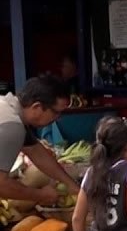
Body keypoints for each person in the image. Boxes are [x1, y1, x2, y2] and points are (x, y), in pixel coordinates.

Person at [0, 75, 80, 206]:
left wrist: (70, 184)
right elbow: (1, 184)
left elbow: (36, 152)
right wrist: (40, 195)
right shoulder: (12, 125)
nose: (57, 118)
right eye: (55, 113)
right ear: (37, 106)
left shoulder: (7, 108)